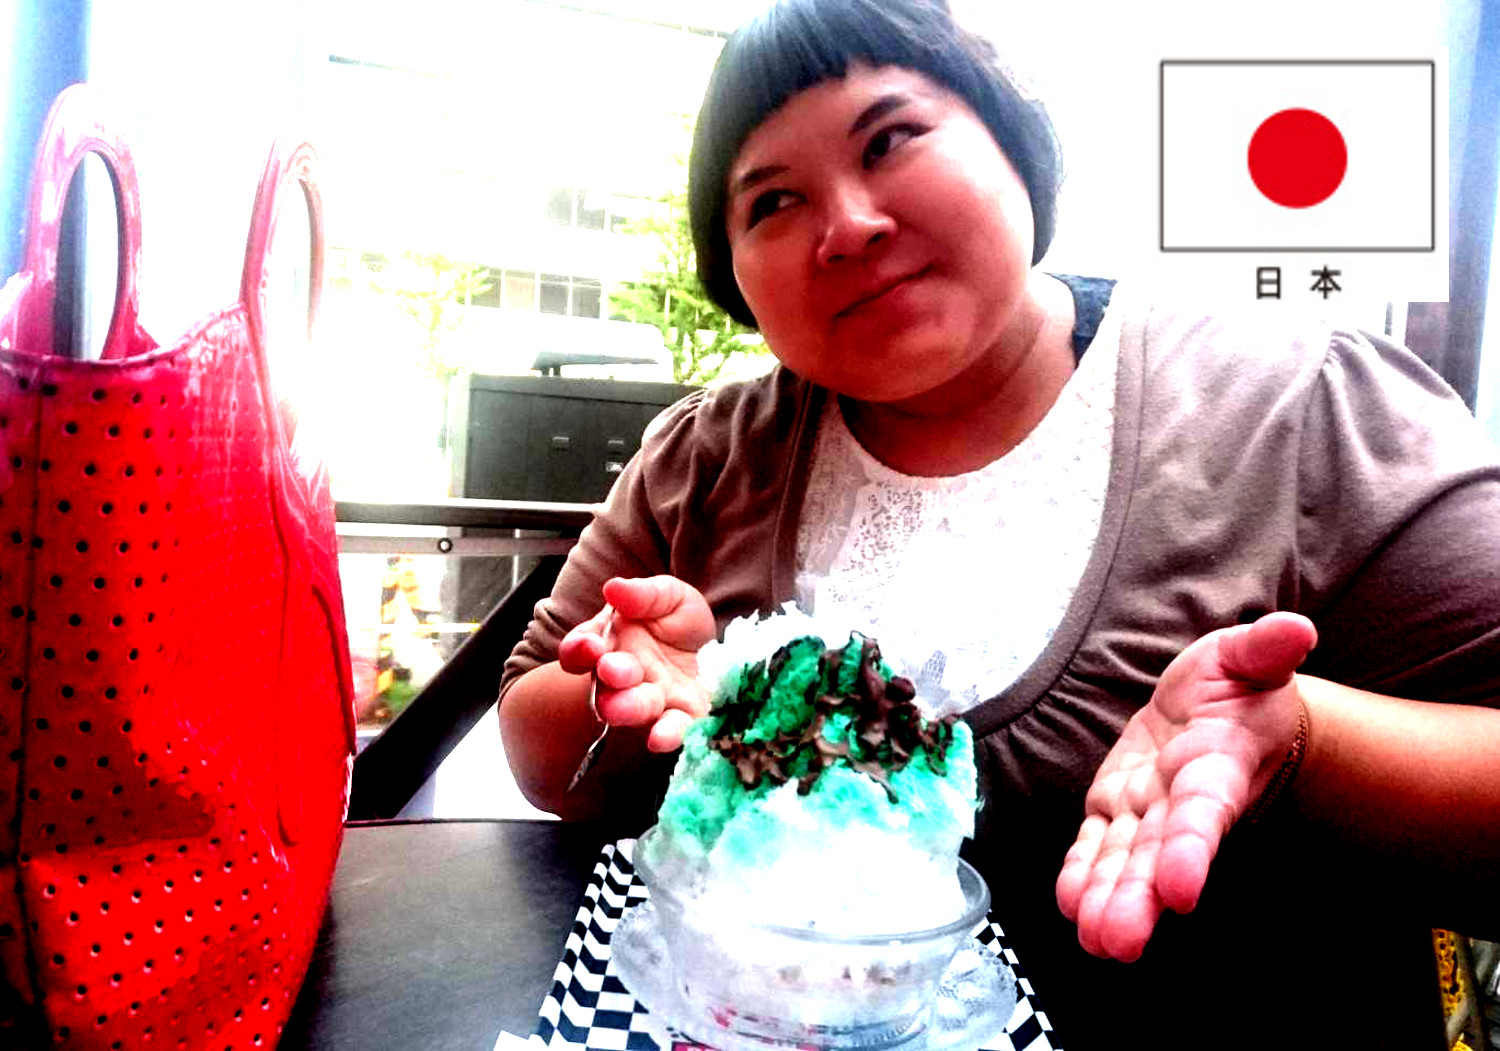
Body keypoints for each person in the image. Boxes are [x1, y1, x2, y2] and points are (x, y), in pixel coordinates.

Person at [498, 1, 1500, 1046]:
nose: (848, 225)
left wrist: (1304, 742)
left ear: (1013, 138)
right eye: (774, 200)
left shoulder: (1299, 405)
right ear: (735, 275)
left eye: (890, 138)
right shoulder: (705, 457)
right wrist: (626, 692)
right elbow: (534, 738)